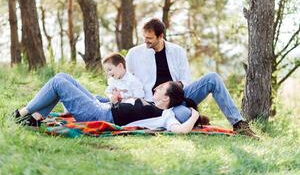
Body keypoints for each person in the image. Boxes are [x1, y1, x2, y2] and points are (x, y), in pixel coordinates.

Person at [126, 18, 258, 138]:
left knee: (212, 78)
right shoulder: (134, 53)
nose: (145, 41)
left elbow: (185, 80)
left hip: (179, 98)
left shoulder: (177, 51)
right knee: (184, 115)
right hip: (156, 105)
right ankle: (195, 118)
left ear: (161, 36)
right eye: (144, 37)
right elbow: (127, 79)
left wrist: (171, 86)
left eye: (149, 38)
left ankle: (239, 124)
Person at [13, 73, 202, 133]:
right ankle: (36, 117)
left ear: (166, 99)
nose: (155, 90)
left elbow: (180, 131)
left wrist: (194, 116)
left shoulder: (165, 115)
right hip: (101, 105)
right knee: (63, 77)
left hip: (98, 114)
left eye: (160, 89)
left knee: (58, 83)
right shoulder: (150, 103)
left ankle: (22, 113)